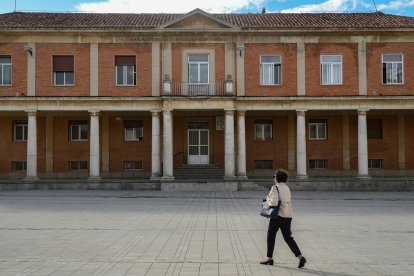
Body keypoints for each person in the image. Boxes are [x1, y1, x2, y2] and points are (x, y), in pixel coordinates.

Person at [260, 169, 307, 268]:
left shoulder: (275, 187)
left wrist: (267, 200)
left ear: (277, 178)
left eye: (274, 176)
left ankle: (269, 258)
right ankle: (300, 257)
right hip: (288, 215)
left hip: (278, 216)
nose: (273, 178)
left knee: (271, 236)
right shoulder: (286, 188)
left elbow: (274, 203)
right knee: (288, 238)